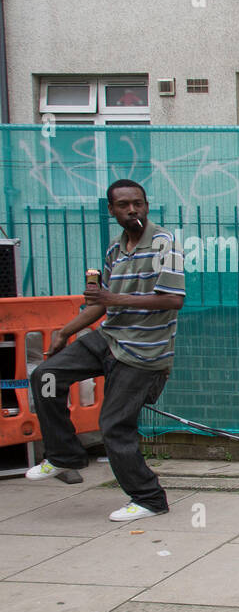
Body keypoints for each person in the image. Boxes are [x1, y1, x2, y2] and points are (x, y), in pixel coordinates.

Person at [25, 180, 184, 522]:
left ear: (146, 205)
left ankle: (149, 498)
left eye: (138, 203)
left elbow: (174, 300)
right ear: (111, 210)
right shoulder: (116, 248)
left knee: (114, 425)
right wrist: (64, 333)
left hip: (143, 352)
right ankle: (64, 455)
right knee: (46, 376)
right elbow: (100, 303)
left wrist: (114, 299)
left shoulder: (164, 244)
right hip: (109, 338)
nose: (132, 210)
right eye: (124, 205)